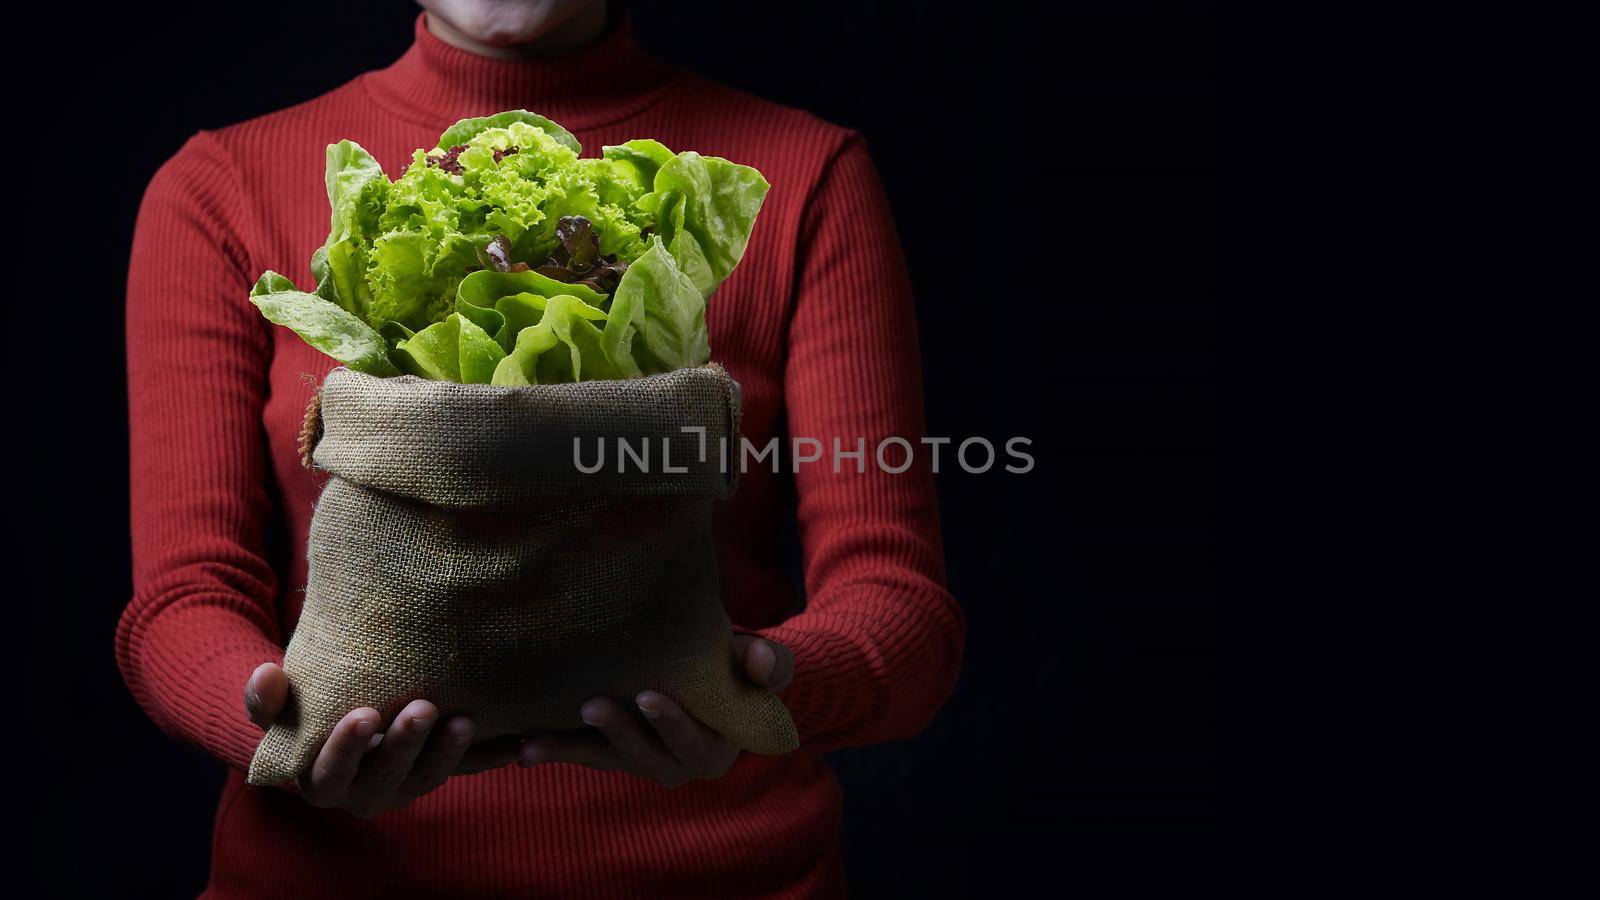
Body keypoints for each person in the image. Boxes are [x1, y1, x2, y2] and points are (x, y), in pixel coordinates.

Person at [118, 1, 963, 895]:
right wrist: (277, 727)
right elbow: (185, 599)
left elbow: (899, 604)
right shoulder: (223, 184)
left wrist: (758, 697)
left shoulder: (807, 174)